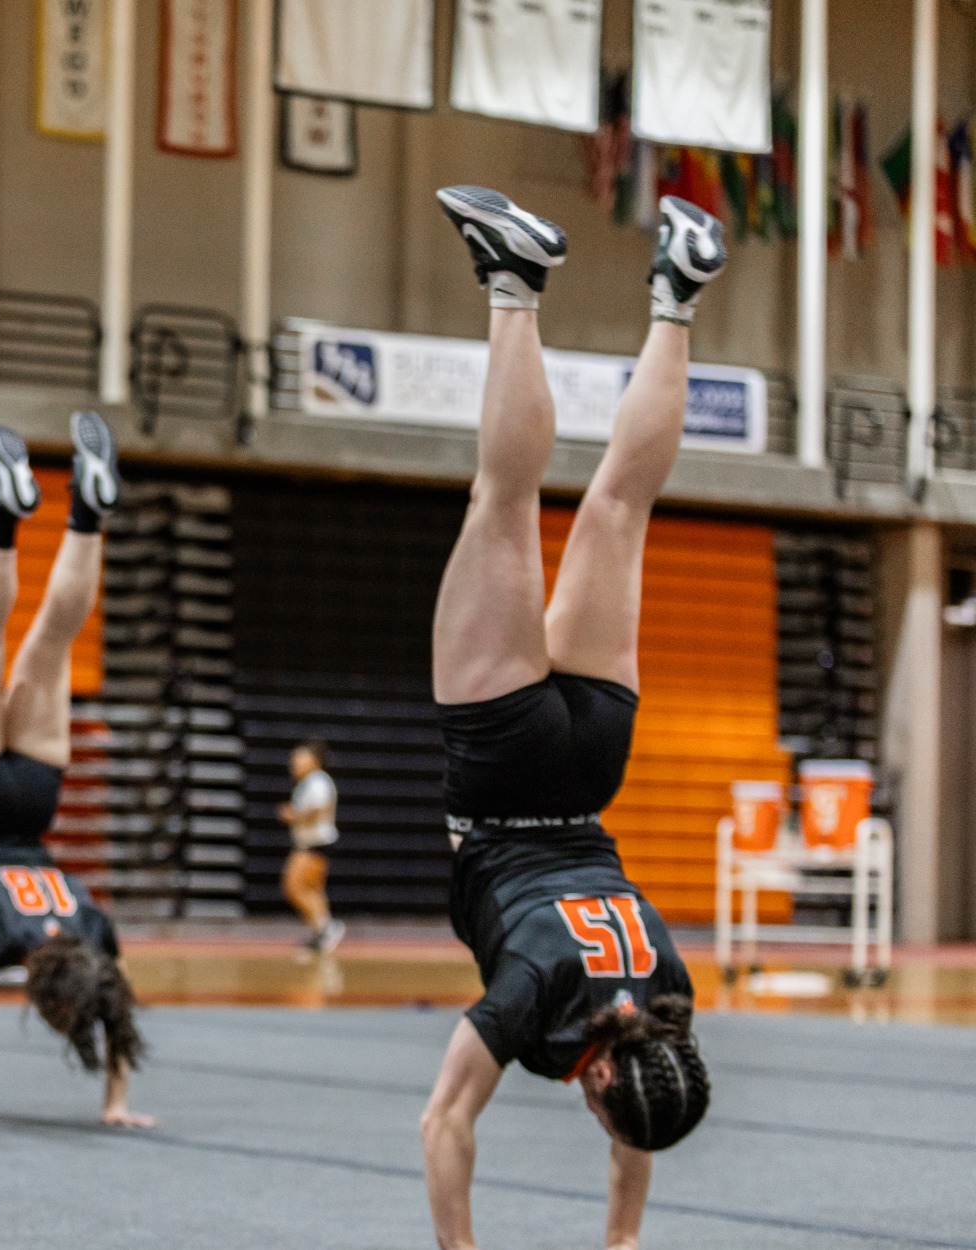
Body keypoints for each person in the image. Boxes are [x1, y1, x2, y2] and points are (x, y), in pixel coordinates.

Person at [419, 187, 723, 1250]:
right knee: (503, 502)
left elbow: (639, 1108)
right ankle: (512, 279)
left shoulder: (668, 998)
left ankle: (677, 294)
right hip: (501, 779)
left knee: (618, 508)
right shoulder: (530, 993)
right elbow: (444, 1120)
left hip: (593, 765)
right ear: (596, 1079)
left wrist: (623, 1243)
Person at [0, 414, 151, 1130]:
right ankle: (4, 513)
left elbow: (117, 1007)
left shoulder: (93, 925)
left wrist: (118, 1099)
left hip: (36, 800)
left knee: (51, 641)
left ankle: (87, 513)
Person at [279, 739, 343, 953]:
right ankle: (321, 933)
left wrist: (293, 815)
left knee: (294, 886)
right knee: (313, 890)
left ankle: (327, 928)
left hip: (315, 843)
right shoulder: (309, 782)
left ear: (314, 760)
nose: (295, 761)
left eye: (300, 757)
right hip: (314, 843)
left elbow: (317, 809)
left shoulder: (318, 781)